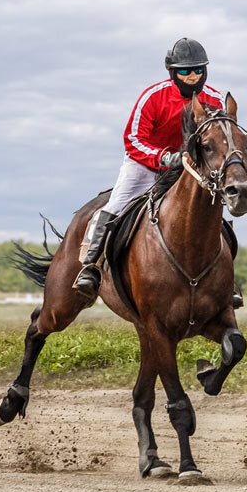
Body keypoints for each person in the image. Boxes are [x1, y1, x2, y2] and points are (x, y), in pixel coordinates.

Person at [71, 38, 231, 307]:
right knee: (116, 205)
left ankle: (226, 282)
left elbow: (220, 138)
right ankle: (91, 268)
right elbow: (132, 138)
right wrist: (163, 158)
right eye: (184, 71)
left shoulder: (214, 99)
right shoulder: (153, 97)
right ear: (172, 72)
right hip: (144, 165)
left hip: (188, 168)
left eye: (198, 70)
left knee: (212, 210)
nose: (192, 77)